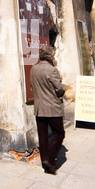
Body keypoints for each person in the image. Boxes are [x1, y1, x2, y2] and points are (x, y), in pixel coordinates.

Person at [30, 45, 66, 175]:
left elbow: (32, 86)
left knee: (43, 136)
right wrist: (62, 91)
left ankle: (44, 160)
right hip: (52, 107)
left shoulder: (34, 69)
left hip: (39, 108)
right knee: (60, 133)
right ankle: (50, 159)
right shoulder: (52, 70)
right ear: (51, 56)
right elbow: (59, 88)